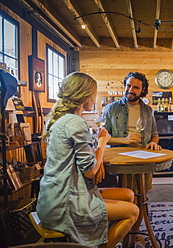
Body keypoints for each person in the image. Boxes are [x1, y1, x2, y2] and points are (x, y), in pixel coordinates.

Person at [37, 72, 139, 248]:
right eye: (93, 93)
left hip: (52, 199)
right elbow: (91, 171)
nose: (94, 98)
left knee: (129, 194)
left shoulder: (62, 120)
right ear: (84, 95)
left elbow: (80, 160)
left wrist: (97, 158)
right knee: (133, 212)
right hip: (65, 204)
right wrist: (102, 143)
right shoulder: (75, 123)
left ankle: (101, 236)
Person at [104, 71, 161, 246]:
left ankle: (132, 236)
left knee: (141, 199)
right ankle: (121, 236)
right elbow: (103, 136)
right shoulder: (112, 108)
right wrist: (124, 140)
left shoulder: (147, 110)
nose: (130, 89)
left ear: (142, 90)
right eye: (128, 85)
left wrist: (153, 143)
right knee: (126, 199)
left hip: (142, 160)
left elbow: (154, 134)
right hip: (121, 161)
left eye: (135, 87)